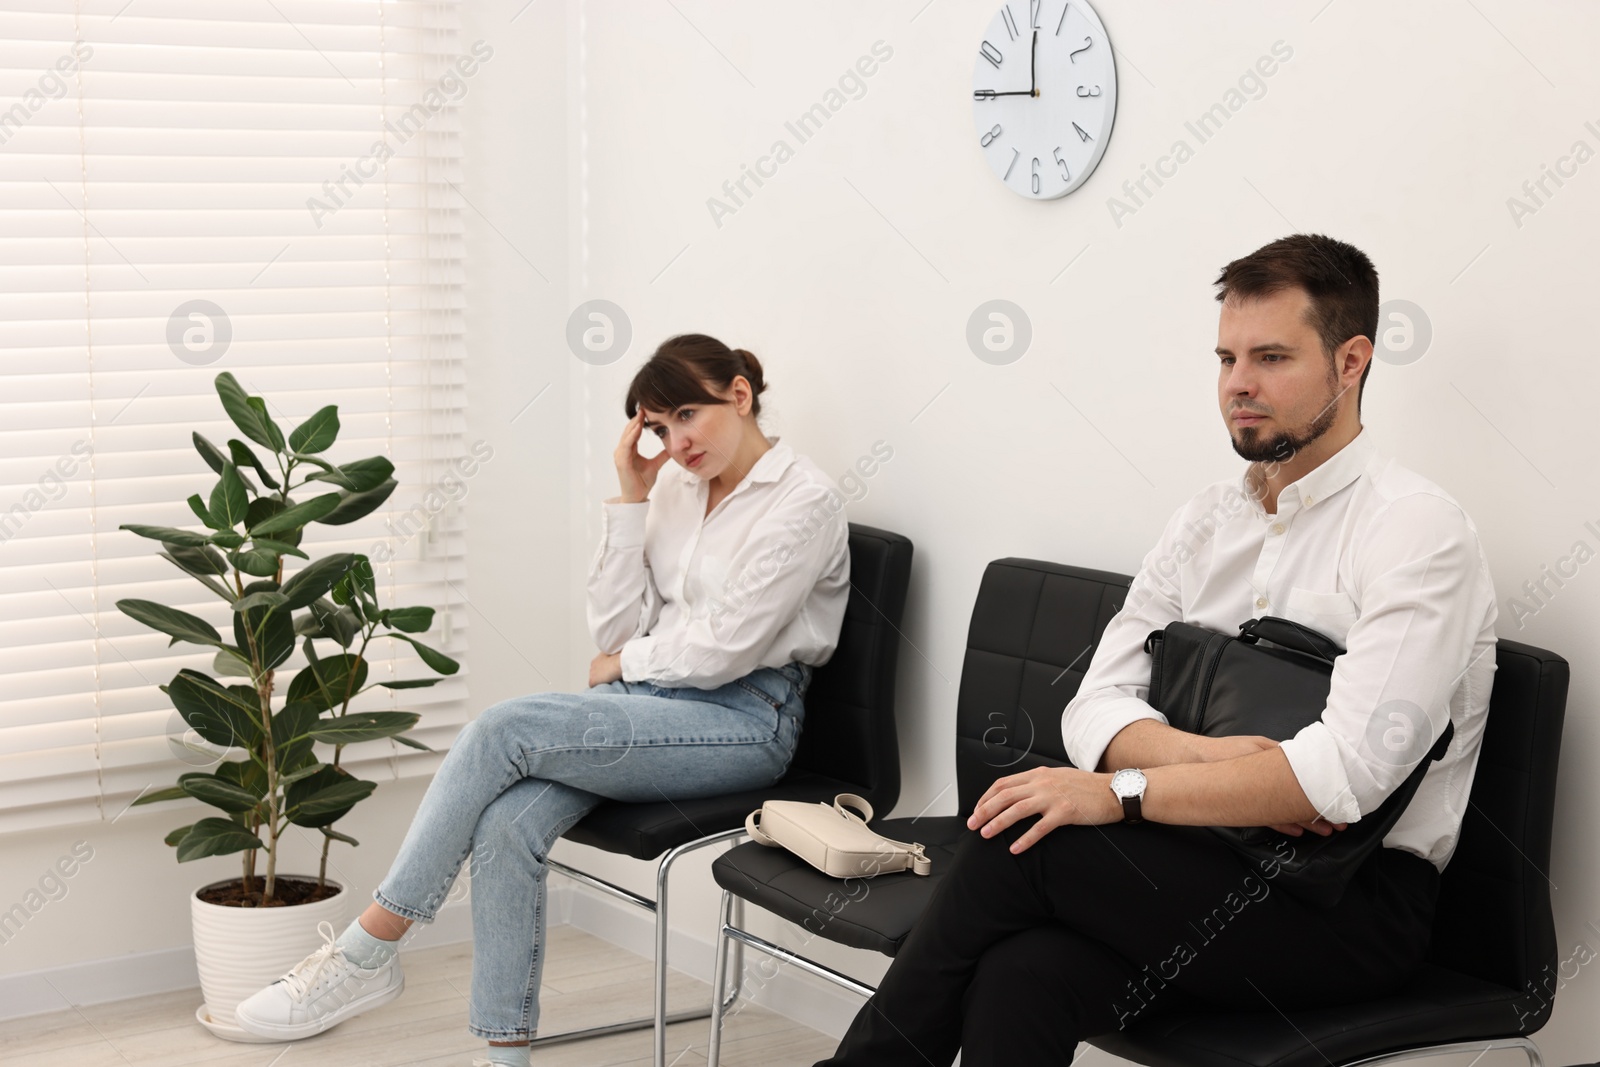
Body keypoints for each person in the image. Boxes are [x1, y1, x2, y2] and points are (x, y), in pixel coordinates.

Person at [819, 234, 1497, 1066]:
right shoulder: (1206, 520)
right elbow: (1092, 706)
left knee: (1028, 835)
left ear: (1351, 361)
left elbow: (1340, 778)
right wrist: (1207, 759)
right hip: (1204, 863)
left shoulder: (1416, 531)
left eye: (1272, 356)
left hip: (1346, 907)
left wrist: (1126, 790)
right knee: (1020, 972)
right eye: (1226, 357)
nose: (1238, 384)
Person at [234, 334, 850, 1067]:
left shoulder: (803, 500)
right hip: (651, 705)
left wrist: (624, 661)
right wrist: (629, 497)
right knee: (504, 824)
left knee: (503, 729)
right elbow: (616, 627)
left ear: (741, 395)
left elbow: (727, 650)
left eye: (688, 415)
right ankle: (505, 1056)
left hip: (746, 720)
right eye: (659, 426)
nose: (676, 441)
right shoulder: (675, 490)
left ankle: (369, 949)